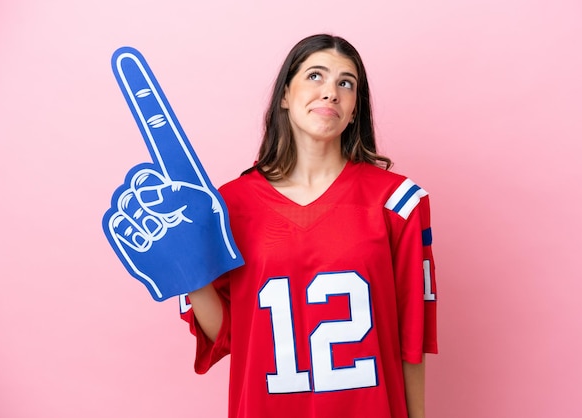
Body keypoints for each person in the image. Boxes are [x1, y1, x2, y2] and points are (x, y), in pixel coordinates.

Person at [180, 34, 438, 418]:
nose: (331, 92)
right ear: (285, 94)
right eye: (316, 76)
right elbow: (233, 337)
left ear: (355, 109)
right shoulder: (229, 206)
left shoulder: (398, 202)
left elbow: (410, 339)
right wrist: (185, 269)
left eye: (345, 83)